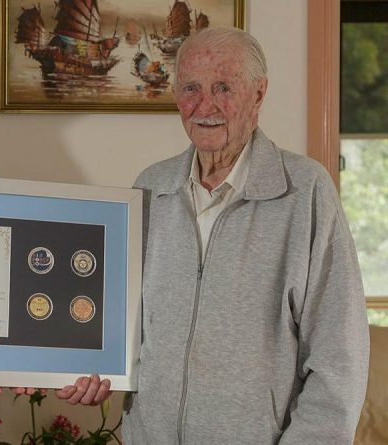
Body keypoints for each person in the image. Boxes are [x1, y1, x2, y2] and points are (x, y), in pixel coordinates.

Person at [58, 27, 370, 444]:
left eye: (224, 87)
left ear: (258, 94)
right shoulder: (150, 187)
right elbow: (122, 326)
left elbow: (339, 359)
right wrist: (91, 371)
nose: (204, 105)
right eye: (191, 88)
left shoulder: (305, 192)